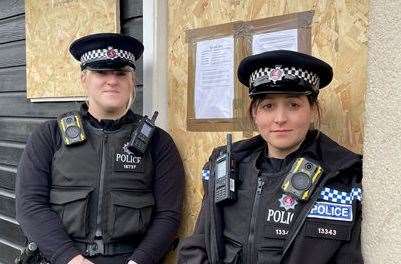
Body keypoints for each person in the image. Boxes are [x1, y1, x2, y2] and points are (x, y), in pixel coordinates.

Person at [178, 50, 363, 264]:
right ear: (255, 113)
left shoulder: (340, 177)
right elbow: (200, 243)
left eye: (293, 105)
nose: (280, 119)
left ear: (312, 110)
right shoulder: (226, 164)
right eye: (268, 106)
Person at [16, 33, 184, 264]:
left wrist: (139, 261)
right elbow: (30, 205)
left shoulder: (159, 143)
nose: (111, 81)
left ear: (132, 80)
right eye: (101, 72)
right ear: (84, 78)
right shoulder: (48, 136)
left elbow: (168, 215)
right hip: (61, 257)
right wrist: (71, 259)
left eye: (121, 73)